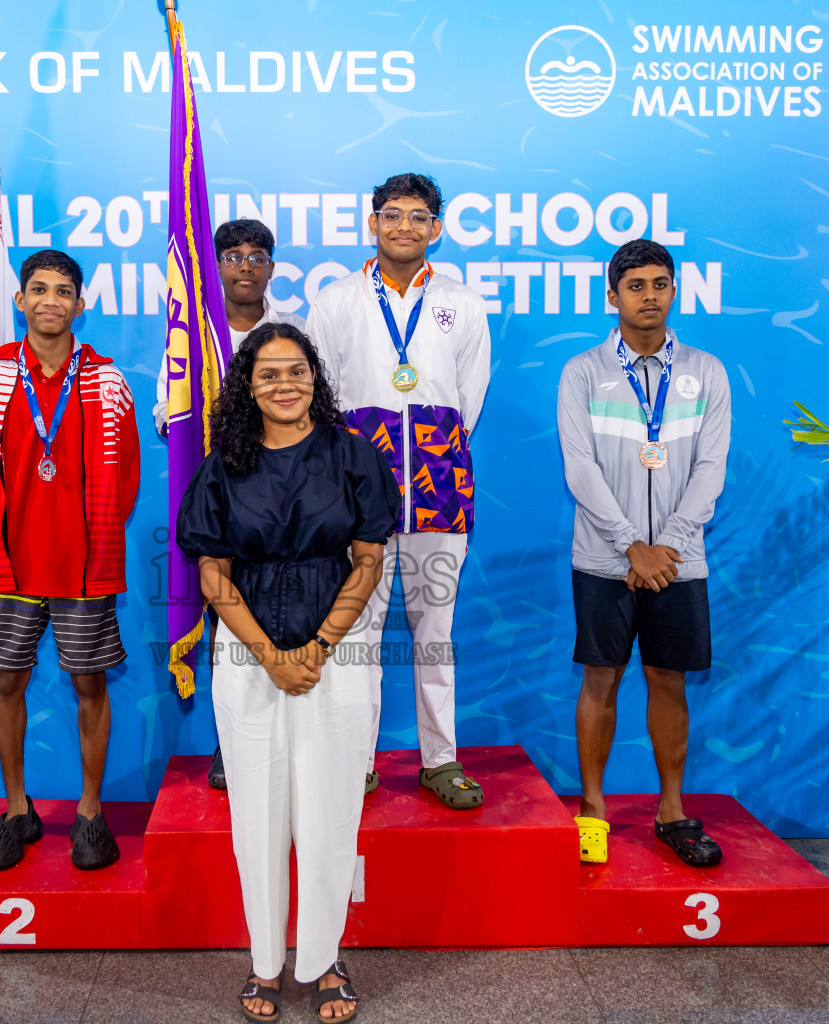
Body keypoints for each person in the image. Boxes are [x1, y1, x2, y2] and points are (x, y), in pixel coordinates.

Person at [177, 323, 395, 1023]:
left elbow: (369, 559)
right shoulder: (222, 466)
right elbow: (212, 572)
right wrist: (271, 656)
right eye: (267, 374)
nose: (284, 384)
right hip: (247, 659)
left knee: (331, 810)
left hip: (338, 651)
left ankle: (325, 958)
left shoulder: (355, 455)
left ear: (314, 376)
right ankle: (265, 962)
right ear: (246, 386)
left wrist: (320, 646)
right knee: (259, 815)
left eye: (295, 371)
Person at [306, 172, 491, 808]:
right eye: (392, 214)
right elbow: (322, 398)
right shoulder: (334, 302)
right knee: (357, 636)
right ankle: (355, 760)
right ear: (372, 223)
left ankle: (440, 760)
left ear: (436, 228)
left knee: (434, 634)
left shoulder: (463, 304)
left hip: (440, 490)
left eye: (418, 216)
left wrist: (429, 459)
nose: (404, 226)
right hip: (359, 495)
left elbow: (467, 404)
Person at [556, 238, 731, 868]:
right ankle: (594, 809)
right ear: (613, 295)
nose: (649, 295)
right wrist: (631, 545)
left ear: (675, 290)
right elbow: (580, 468)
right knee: (600, 678)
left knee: (669, 679)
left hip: (679, 563)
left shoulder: (707, 371)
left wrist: (668, 548)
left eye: (660, 284)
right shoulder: (582, 372)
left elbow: (711, 469)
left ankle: (672, 810)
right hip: (605, 559)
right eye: (636, 285)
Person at [0, 249, 139, 872]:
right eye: (37, 289)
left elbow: (124, 478)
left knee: (89, 684)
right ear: (20, 300)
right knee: (7, 681)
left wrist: (88, 541)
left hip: (83, 566)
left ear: (80, 305)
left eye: (63, 291)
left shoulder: (108, 380)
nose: (50, 301)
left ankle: (90, 813)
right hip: (12, 566)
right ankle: (18, 811)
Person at [154, 217, 305, 792]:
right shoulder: (189, 337)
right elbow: (169, 417)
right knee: (225, 623)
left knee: (289, 614)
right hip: (221, 504)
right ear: (214, 266)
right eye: (233, 255)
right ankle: (230, 743)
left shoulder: (292, 332)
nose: (245, 265)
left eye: (257, 255)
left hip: (286, 503)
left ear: (271, 267)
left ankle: (291, 737)